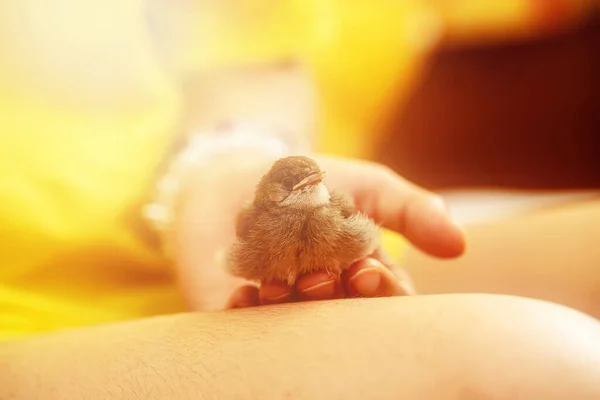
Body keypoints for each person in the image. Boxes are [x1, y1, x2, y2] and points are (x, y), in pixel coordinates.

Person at [2, 1, 600, 399]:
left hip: (184, 254)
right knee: (535, 367)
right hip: (23, 328)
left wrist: (225, 157)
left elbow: (246, 51)